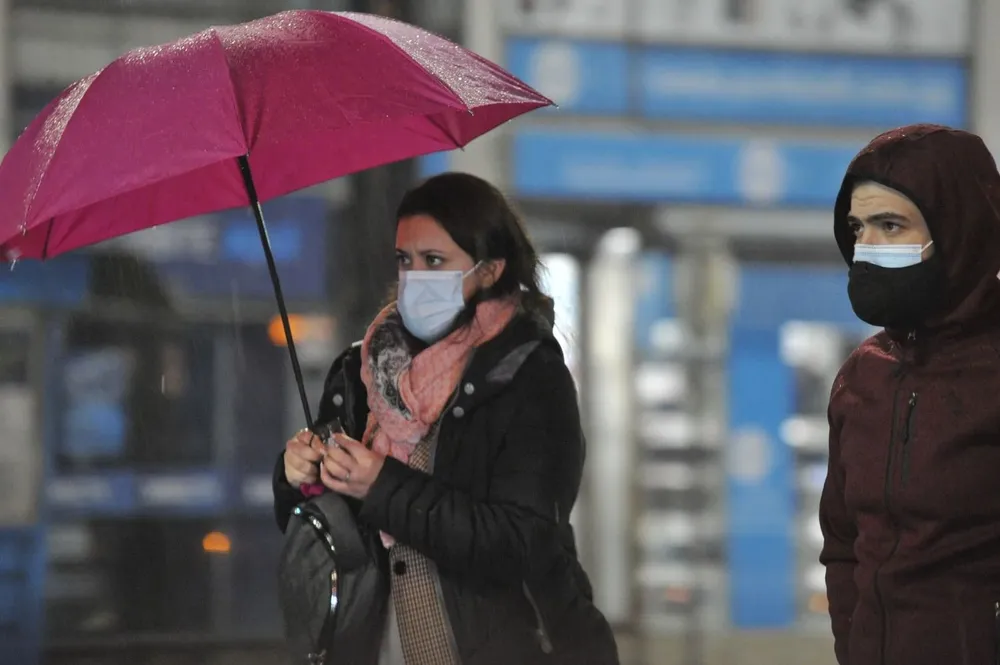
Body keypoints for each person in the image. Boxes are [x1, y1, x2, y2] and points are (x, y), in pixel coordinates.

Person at [273, 171, 619, 665]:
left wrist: (381, 487)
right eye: (405, 260)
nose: (415, 277)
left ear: (490, 269)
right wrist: (298, 477)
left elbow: (521, 542)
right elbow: (326, 533)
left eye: (435, 261)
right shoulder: (360, 372)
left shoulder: (526, 377)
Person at [819, 124, 1000, 665]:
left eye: (891, 225)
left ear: (957, 229)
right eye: (857, 227)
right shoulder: (863, 376)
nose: (867, 248)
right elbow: (843, 546)